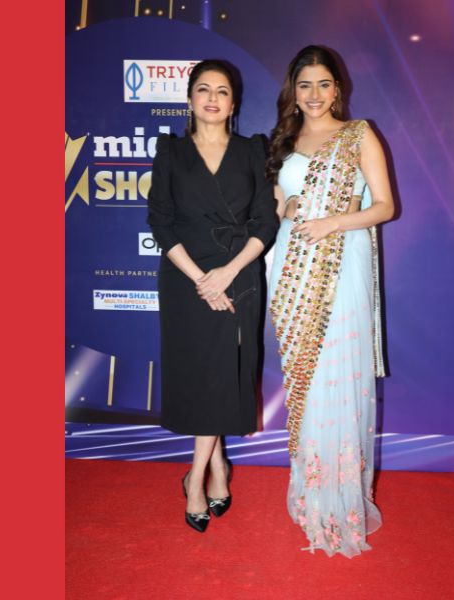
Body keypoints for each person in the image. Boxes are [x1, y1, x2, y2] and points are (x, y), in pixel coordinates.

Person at [266, 45, 395, 557]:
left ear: (337, 88)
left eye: (323, 84)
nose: (315, 94)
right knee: (306, 379)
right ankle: (311, 491)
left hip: (342, 265)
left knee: (336, 374)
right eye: (305, 85)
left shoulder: (359, 134)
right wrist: (286, 208)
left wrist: (333, 222)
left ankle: (339, 500)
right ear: (293, 91)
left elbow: (384, 206)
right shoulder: (283, 140)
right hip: (291, 269)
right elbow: (275, 206)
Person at [147, 60, 279, 533]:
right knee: (203, 376)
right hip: (185, 279)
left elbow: (265, 221)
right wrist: (202, 279)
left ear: (233, 102)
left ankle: (197, 477)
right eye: (203, 89)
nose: (212, 98)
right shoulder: (171, 152)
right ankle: (216, 466)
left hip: (238, 274)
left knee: (224, 374)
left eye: (222, 91)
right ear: (189, 99)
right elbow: (160, 222)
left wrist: (226, 273)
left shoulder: (251, 150)